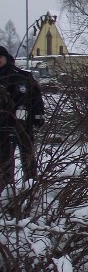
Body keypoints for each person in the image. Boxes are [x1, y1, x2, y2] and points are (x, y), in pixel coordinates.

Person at [0, 45, 45, 184]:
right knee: (4, 158)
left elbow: (35, 97)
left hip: (24, 125)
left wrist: (39, 115)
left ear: (6, 58)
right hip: (3, 126)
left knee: (27, 154)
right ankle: (7, 188)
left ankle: (31, 185)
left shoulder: (21, 75)